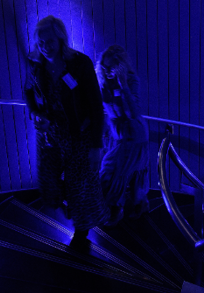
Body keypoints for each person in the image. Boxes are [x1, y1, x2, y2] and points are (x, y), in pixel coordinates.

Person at [24, 16, 108, 245]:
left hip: (79, 135)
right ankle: (69, 200)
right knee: (48, 184)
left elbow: (95, 105)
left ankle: (81, 233)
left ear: (61, 38)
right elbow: (29, 91)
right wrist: (34, 113)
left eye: (49, 41)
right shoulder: (36, 63)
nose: (45, 47)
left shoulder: (80, 64)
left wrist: (96, 146)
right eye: (41, 42)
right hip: (49, 134)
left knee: (80, 188)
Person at [97, 45, 149, 225]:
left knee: (122, 172)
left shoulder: (131, 80)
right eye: (104, 67)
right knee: (110, 170)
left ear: (120, 66)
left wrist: (123, 85)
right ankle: (125, 207)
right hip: (118, 135)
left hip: (135, 135)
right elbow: (109, 112)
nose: (108, 70)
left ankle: (117, 209)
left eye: (111, 67)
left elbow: (134, 112)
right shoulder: (104, 83)